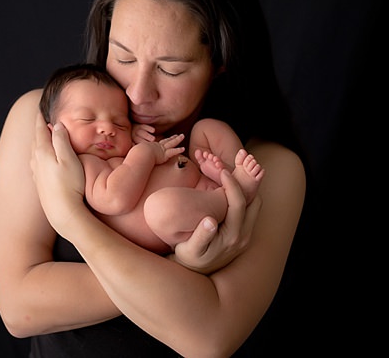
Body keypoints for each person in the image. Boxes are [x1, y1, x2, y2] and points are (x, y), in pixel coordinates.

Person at [0, 0, 306, 357]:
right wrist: (181, 269)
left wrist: (70, 218)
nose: (138, 93)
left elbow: (208, 338)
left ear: (222, 62)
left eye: (171, 69)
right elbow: (19, 308)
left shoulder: (265, 167)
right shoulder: (47, 123)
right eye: (123, 56)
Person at [39, 63, 264, 255]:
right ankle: (234, 195)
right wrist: (143, 153)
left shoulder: (127, 145)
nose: (108, 128)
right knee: (161, 208)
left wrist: (136, 134)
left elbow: (164, 148)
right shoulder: (85, 164)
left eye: (120, 121)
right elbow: (115, 198)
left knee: (208, 128)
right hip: (177, 222)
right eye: (88, 119)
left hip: (198, 176)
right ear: (55, 132)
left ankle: (230, 173)